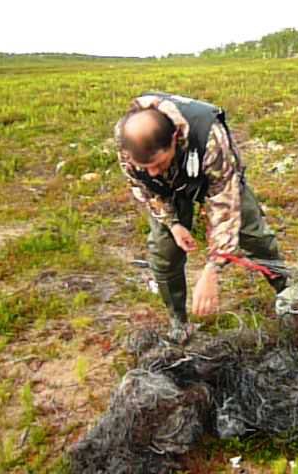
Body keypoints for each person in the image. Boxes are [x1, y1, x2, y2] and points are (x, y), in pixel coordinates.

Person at [114, 92, 287, 343]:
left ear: (174, 138)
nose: (152, 172)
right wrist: (172, 224)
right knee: (164, 251)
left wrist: (213, 267)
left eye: (158, 163)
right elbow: (144, 188)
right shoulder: (126, 141)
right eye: (145, 166)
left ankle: (288, 294)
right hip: (170, 191)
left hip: (214, 176)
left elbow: (224, 208)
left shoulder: (211, 139)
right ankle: (178, 321)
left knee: (253, 235)